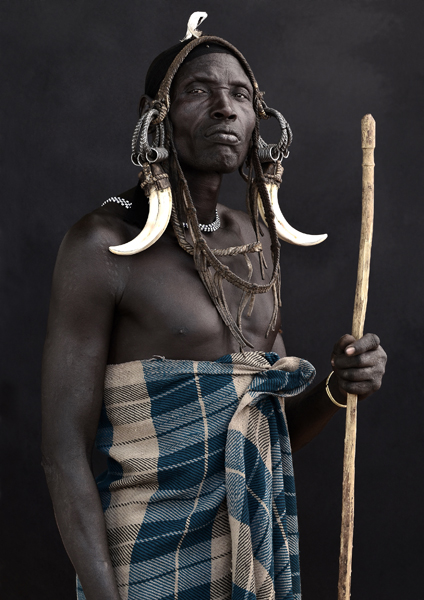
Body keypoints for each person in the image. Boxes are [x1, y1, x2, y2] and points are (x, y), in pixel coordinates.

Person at [41, 13, 386, 600]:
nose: (225, 108)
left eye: (241, 94)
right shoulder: (101, 244)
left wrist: (336, 387)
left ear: (260, 121)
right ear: (155, 114)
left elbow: (263, 427)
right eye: (198, 90)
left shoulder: (255, 241)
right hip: (146, 558)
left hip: (252, 552)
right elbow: (62, 453)